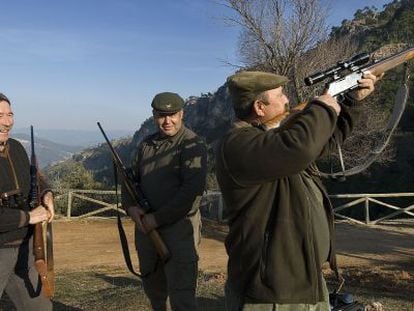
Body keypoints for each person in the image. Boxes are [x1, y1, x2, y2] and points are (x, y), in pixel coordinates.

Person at [216, 70, 379, 310]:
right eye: (280, 95)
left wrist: (352, 101)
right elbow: (301, 148)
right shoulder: (238, 145)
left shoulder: (271, 141)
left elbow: (319, 143)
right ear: (260, 108)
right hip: (272, 294)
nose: (286, 100)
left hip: (304, 281)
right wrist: (323, 106)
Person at [122, 92, 208, 310]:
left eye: (172, 115)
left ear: (181, 114)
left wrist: (156, 219)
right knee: (154, 290)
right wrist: (131, 208)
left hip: (180, 230)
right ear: (154, 116)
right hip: (146, 230)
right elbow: (130, 183)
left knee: (182, 295)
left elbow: (191, 193)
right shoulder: (146, 145)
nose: (167, 121)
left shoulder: (192, 144)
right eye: (162, 115)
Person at [0, 92, 55, 310]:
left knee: (40, 307)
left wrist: (47, 193)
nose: (7, 121)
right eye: (0, 115)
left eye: (10, 114)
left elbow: (36, 178)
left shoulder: (17, 148)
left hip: (26, 248)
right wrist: (30, 216)